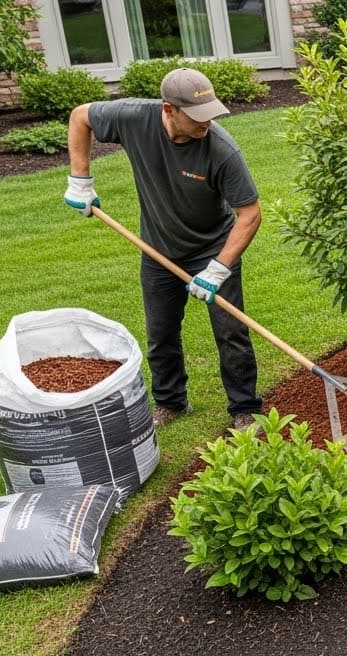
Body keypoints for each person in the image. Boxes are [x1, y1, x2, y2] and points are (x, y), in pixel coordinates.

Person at [64, 67, 263, 432]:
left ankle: (246, 408)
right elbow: (81, 117)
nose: (207, 122)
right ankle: (171, 401)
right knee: (161, 332)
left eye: (211, 113)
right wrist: (80, 180)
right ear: (169, 110)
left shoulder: (221, 150)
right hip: (158, 248)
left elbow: (249, 215)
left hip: (213, 249)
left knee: (230, 331)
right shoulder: (134, 117)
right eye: (198, 116)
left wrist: (218, 269)